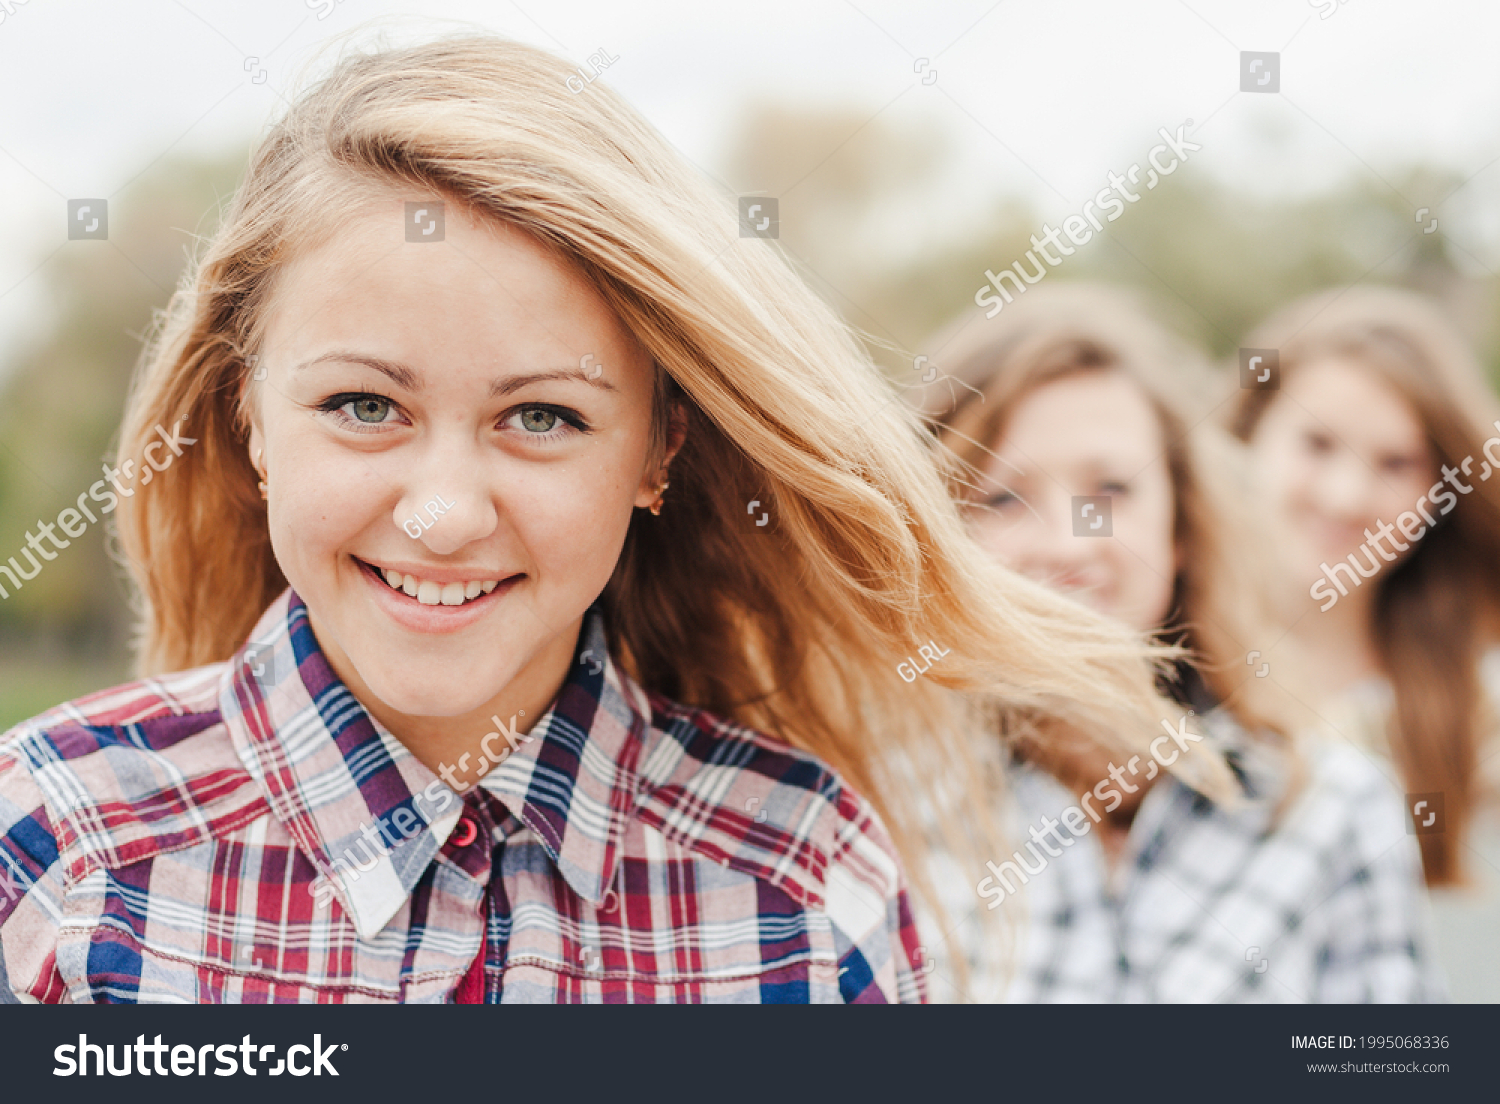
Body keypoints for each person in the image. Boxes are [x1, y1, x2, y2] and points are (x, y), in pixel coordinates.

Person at [0, 36, 1190, 1004]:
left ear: (659, 448)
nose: (445, 513)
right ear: (249, 419)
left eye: (543, 418)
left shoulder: (802, 881)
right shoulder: (54, 849)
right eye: (365, 405)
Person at [920, 282, 1442, 1002]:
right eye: (1004, 497)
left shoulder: (1333, 811)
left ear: (1182, 530)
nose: (1072, 542)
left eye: (1111, 490)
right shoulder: (868, 810)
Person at [1227, 286, 1500, 1000]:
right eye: (1316, 444)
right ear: (1249, 434)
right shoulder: (1160, 671)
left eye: (1395, 464)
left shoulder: (1482, 713)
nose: (1347, 496)